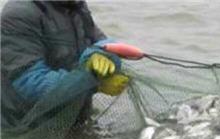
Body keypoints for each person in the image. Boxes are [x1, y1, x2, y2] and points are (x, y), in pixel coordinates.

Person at [1, 0, 129, 131]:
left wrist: (103, 55)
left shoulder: (76, 5)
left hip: (74, 122)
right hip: (26, 128)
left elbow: (103, 42)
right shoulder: (19, 13)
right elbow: (30, 82)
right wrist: (95, 83)